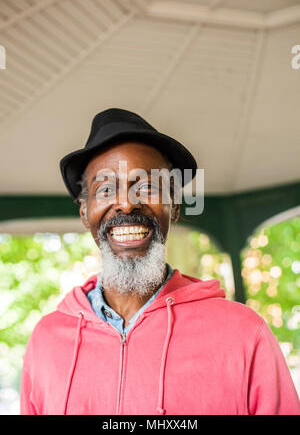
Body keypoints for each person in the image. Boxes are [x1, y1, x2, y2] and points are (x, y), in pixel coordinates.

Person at [20, 108, 300, 415]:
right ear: (84, 212)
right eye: (105, 189)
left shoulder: (246, 333)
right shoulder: (46, 341)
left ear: (174, 209)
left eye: (148, 187)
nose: (127, 202)